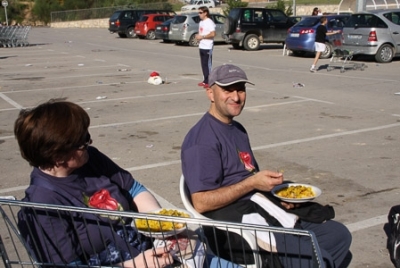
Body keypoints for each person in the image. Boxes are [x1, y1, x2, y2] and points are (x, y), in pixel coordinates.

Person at [14, 99, 241, 268]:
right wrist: (135, 264)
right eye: (82, 141)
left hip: (155, 253)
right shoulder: (43, 204)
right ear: (57, 156)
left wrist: (162, 226)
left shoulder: (90, 159)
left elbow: (133, 188)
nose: (89, 142)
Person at [181, 64, 352, 267]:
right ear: (210, 93)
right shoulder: (202, 141)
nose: (236, 97)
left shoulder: (237, 129)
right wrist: (252, 183)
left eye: (241, 89)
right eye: (228, 89)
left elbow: (248, 176)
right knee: (316, 258)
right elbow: (201, 202)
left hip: (265, 208)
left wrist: (280, 194)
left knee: (339, 236)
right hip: (237, 229)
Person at [195, 6, 215, 88]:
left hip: (208, 46)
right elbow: (201, 32)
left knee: (208, 64)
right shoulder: (201, 22)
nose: (199, 14)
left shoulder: (209, 22)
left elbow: (213, 34)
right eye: (198, 12)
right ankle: (205, 80)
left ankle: (209, 81)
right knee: (203, 64)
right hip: (201, 46)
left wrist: (202, 37)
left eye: (200, 12)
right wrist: (198, 37)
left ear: (205, 13)